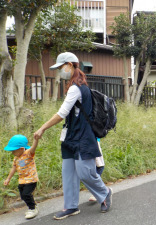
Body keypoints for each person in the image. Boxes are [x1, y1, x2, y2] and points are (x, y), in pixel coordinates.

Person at [34, 52, 112, 220]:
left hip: (83, 137)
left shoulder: (77, 87)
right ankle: (70, 207)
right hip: (71, 136)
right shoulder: (74, 86)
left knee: (85, 172)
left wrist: (42, 128)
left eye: (61, 68)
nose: (59, 71)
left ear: (70, 65)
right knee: (68, 173)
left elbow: (61, 114)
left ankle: (105, 193)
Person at [3, 135, 39, 219]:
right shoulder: (16, 158)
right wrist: (8, 178)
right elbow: (14, 168)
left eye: (14, 150)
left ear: (22, 148)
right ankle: (33, 204)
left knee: (26, 194)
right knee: (23, 196)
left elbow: (34, 147)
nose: (12, 153)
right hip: (22, 180)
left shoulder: (28, 153)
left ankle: (32, 209)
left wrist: (36, 140)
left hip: (31, 179)